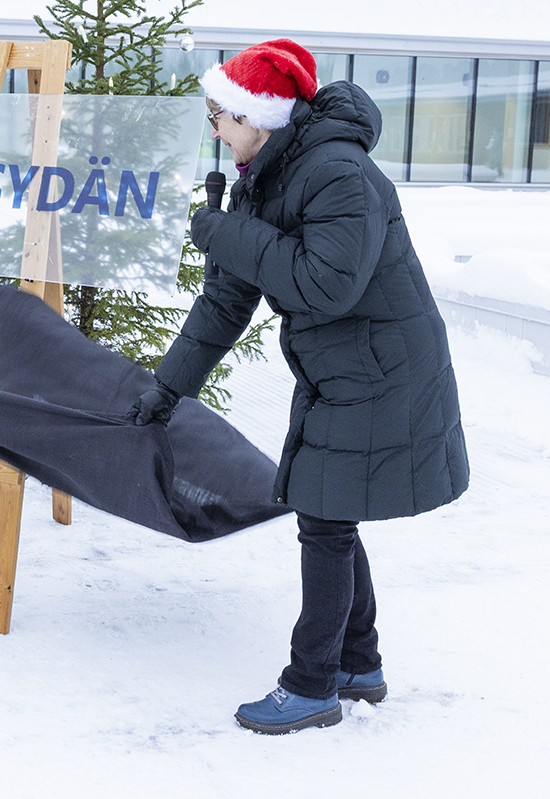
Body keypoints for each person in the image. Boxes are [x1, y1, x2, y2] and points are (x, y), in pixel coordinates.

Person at [132, 38, 468, 734]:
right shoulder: (265, 178)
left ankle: (311, 683)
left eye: (220, 117)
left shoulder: (338, 172)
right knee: (328, 510)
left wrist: (227, 234)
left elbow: (326, 283)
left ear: (256, 116)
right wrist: (168, 389)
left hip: (383, 367)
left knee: (322, 515)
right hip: (342, 366)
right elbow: (226, 302)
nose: (215, 132)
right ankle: (359, 663)